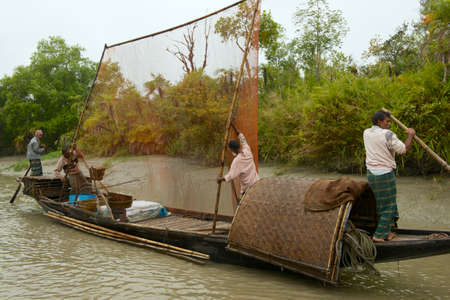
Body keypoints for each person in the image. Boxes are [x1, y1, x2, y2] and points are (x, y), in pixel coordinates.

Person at [363, 110, 415, 243]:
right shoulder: (388, 134)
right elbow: (404, 149)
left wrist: (385, 113)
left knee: (382, 204)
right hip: (384, 174)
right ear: (379, 122)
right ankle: (379, 235)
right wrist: (411, 135)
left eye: (390, 121)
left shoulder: (366, 132)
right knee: (389, 206)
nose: (389, 124)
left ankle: (388, 231)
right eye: (387, 121)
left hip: (371, 174)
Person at [217, 123, 259, 207]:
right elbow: (241, 136)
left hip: (248, 190)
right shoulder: (247, 150)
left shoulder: (237, 161)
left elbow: (230, 176)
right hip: (257, 184)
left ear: (233, 149)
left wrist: (220, 179)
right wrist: (233, 126)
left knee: (242, 210)